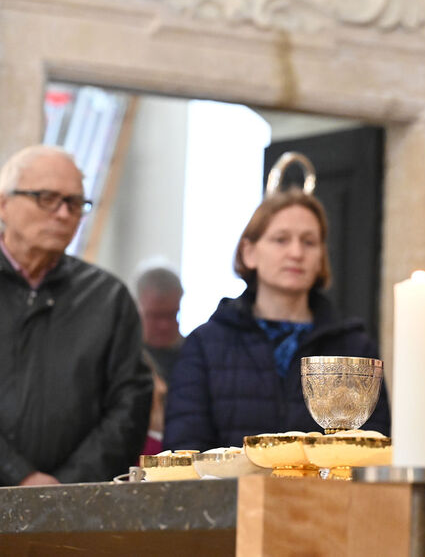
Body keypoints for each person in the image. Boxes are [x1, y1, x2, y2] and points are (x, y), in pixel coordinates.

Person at [164, 189, 390, 451]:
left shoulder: (354, 347)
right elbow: (186, 447)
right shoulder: (204, 346)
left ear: (321, 257)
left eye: (309, 242)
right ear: (249, 252)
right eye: (281, 239)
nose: (296, 252)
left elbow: (374, 446)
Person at [0, 145, 151, 485]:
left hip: (77, 501)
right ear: (3, 204)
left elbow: (130, 406)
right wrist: (19, 476)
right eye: (46, 198)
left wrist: (65, 488)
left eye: (74, 203)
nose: (63, 214)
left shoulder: (107, 298)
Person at [135, 265, 185, 381]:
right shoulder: (121, 357)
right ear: (136, 308)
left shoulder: (195, 354)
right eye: (155, 316)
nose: (164, 326)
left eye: (172, 314)